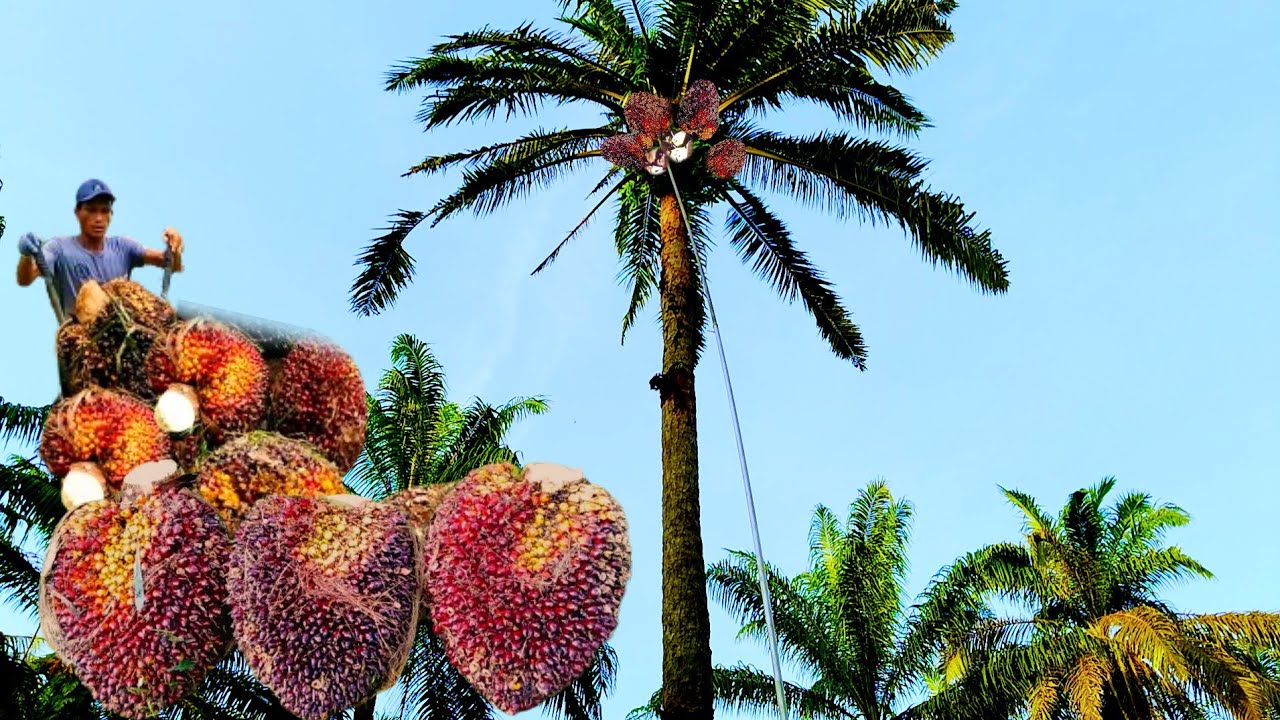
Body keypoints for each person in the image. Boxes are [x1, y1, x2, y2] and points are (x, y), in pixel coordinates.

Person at [15, 178, 185, 319]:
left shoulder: (123, 247)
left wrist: (175, 247)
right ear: (77, 212)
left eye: (105, 211)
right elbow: (25, 278)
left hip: (123, 335)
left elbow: (172, 265)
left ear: (111, 214)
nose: (98, 218)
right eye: (91, 210)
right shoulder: (59, 249)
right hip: (82, 340)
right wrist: (26, 256)